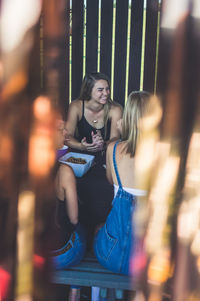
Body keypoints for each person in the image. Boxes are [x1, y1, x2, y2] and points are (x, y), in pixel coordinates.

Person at [93, 91, 153, 275]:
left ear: (128, 116)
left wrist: (119, 133)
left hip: (111, 257)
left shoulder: (113, 148)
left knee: (96, 229)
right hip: (147, 265)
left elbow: (110, 180)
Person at [49, 120, 86, 301]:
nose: (66, 132)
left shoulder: (24, 168)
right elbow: (74, 218)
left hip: (34, 253)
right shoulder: (65, 171)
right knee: (83, 230)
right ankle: (75, 289)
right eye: (60, 129)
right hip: (60, 256)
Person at [65, 72, 123, 164]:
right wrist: (81, 146)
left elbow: (115, 138)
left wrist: (103, 144)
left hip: (105, 158)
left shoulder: (115, 109)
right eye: (100, 90)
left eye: (107, 89)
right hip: (81, 158)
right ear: (88, 91)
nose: (106, 93)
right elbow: (67, 137)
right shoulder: (76, 106)